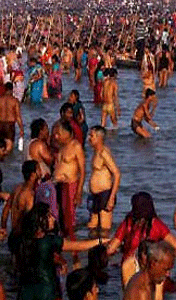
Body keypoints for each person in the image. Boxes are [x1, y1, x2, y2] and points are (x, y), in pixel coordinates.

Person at [16, 203, 106, 300]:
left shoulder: (25, 240)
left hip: (25, 290)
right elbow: (77, 246)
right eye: (49, 216)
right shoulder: (49, 241)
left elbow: (38, 259)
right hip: (47, 290)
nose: (53, 219)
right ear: (41, 220)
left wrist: (59, 261)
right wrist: (101, 241)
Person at [107, 192, 176, 287]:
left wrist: (121, 249)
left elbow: (110, 250)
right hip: (151, 268)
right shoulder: (157, 225)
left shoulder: (128, 223)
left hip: (129, 267)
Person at [53, 120, 86, 265]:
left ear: (67, 133)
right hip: (58, 185)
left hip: (70, 186)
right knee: (57, 220)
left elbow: (83, 171)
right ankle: (60, 252)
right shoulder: (61, 147)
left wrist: (79, 192)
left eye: (59, 133)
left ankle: (75, 256)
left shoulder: (76, 146)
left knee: (69, 223)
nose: (56, 136)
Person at [86, 126, 121, 235]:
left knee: (105, 230)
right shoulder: (96, 152)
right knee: (91, 227)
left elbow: (117, 174)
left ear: (99, 137)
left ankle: (106, 249)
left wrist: (111, 198)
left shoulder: (104, 153)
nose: (89, 138)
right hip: (95, 195)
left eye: (91, 136)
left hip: (105, 194)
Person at [1, 160, 38, 257]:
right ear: (33, 174)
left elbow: (6, 209)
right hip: (22, 237)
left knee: (14, 265)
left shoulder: (16, 188)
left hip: (13, 234)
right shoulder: (29, 194)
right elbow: (30, 219)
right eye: (38, 169)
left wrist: (3, 227)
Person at [0, 82, 24, 153]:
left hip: (0, 125)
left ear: (5, 89)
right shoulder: (15, 101)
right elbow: (18, 117)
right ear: (12, 90)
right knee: (8, 151)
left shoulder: (0, 99)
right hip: (9, 126)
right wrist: (21, 129)